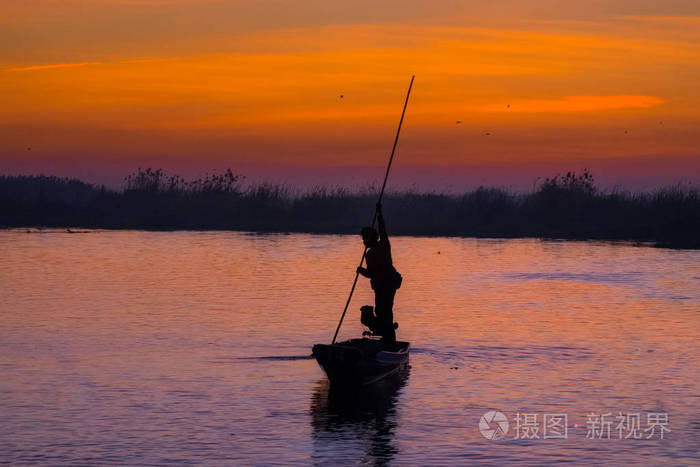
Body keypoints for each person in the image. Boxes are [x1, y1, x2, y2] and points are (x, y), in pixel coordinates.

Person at [357, 203, 402, 347]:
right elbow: (371, 274)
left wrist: (379, 214)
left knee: (384, 312)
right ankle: (386, 335)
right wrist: (361, 271)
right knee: (381, 312)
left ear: (370, 238)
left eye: (364, 239)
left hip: (388, 285)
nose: (363, 242)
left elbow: (383, 230)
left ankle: (389, 340)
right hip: (379, 287)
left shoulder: (383, 245)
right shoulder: (368, 255)